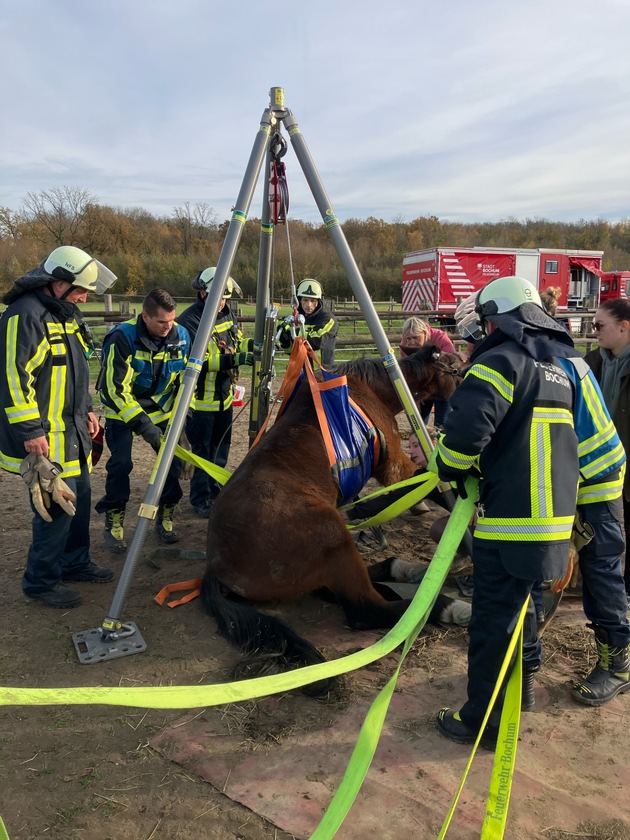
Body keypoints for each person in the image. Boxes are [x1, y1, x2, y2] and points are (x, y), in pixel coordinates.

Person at [431, 275, 629, 748]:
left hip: (591, 484)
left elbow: (499, 432)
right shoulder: (553, 358)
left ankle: (616, 660)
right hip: (556, 491)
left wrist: (463, 463)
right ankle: (525, 674)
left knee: (600, 574)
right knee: (528, 590)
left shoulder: (548, 361)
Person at [0, 246, 117, 608]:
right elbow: (11, 379)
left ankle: (75, 562)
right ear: (58, 282)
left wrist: (89, 411)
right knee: (52, 510)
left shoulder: (67, 314)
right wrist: (31, 432)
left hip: (74, 434)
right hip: (45, 438)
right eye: (80, 289)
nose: (84, 296)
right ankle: (41, 581)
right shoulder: (25, 315)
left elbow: (78, 373)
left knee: (80, 501)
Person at [95, 288, 190, 549]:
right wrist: (144, 426)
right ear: (145, 317)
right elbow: (115, 390)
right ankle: (114, 518)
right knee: (121, 465)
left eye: (172, 320)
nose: (168, 327)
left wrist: (183, 417)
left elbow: (187, 379)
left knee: (171, 462)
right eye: (162, 322)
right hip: (123, 410)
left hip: (163, 407)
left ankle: (166, 513)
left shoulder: (181, 335)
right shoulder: (121, 338)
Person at [177, 267, 252, 518]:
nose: (221, 303)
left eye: (224, 298)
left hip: (224, 398)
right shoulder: (189, 322)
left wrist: (251, 347)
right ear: (201, 294)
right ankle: (200, 498)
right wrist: (235, 360)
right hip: (200, 401)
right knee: (202, 452)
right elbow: (194, 364)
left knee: (222, 448)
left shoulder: (226, 314)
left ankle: (216, 490)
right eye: (217, 297)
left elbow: (237, 340)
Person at [584, 298, 630, 602]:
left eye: (600, 325)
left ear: (624, 327)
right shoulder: (589, 363)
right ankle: (595, 580)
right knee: (598, 523)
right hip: (597, 461)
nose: (594, 331)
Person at [399, 317, 456, 428]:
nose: (411, 342)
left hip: (442, 384)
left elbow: (451, 361)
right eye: (408, 339)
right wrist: (414, 396)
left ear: (425, 333)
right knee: (418, 424)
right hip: (422, 385)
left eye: (415, 337)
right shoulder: (405, 346)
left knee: (442, 425)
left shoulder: (440, 337)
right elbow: (408, 374)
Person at [277, 279, 338, 366]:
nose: (309, 305)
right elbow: (290, 350)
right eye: (305, 300)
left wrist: (293, 330)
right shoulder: (294, 319)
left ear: (318, 301)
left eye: (313, 301)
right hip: (299, 372)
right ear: (299, 300)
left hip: (322, 374)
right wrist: (284, 336)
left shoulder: (328, 319)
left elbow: (316, 341)